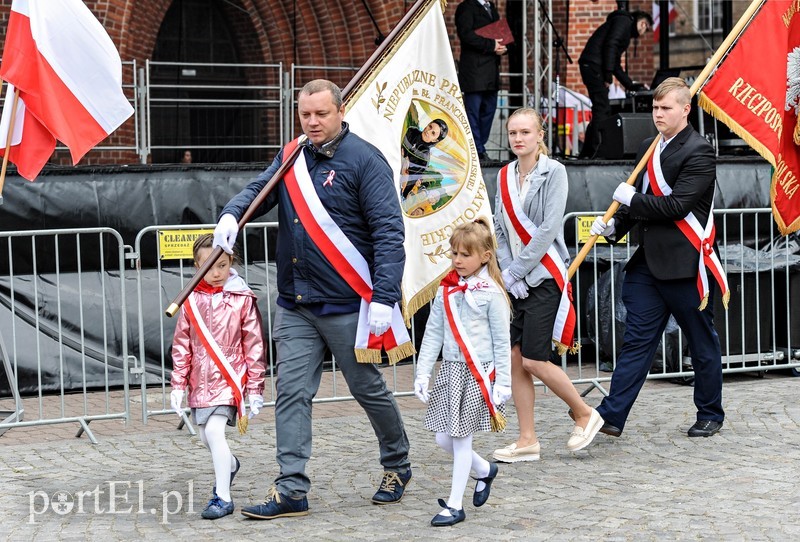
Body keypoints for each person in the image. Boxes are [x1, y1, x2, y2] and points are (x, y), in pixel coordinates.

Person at [212, 79, 413, 520]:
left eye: (321, 113)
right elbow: (259, 190)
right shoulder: (291, 156)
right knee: (291, 393)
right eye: (306, 114)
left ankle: (398, 463)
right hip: (296, 302)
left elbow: (388, 233)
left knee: (367, 389)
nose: (313, 122)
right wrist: (232, 213)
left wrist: (383, 296)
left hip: (348, 302)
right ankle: (291, 488)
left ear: (341, 111)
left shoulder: (365, 160)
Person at [589, 77, 728, 438]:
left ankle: (710, 412)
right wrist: (614, 226)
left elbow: (677, 206)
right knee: (637, 341)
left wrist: (632, 200)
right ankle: (612, 415)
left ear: (686, 109)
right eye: (655, 107)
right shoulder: (648, 147)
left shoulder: (699, 150)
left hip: (685, 264)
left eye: (666, 108)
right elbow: (637, 203)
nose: (658, 114)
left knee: (701, 341)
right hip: (648, 264)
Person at [492, 108, 603, 462]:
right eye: (512, 133)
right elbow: (498, 227)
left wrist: (519, 271)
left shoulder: (554, 172)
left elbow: (548, 229)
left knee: (535, 359)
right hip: (516, 279)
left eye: (525, 132)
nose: (518, 139)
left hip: (544, 277)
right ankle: (527, 439)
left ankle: (584, 412)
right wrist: (508, 271)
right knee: (514, 359)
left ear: (540, 135)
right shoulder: (504, 175)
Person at [413, 218, 512, 527]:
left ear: (484, 256)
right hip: (451, 371)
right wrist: (422, 372)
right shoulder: (446, 289)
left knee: (460, 439)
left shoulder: (492, 293)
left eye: (465, 254)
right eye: (454, 253)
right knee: (444, 439)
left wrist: (503, 384)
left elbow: (501, 341)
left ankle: (455, 504)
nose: (457, 260)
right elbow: (433, 333)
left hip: (478, 374)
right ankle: (484, 470)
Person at [169, 233, 266, 520]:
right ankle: (231, 464)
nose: (216, 272)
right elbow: (182, 345)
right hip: (200, 380)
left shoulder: (241, 298)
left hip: (230, 377)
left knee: (214, 431)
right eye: (208, 266)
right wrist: (177, 384)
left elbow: (254, 344)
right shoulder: (189, 300)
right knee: (205, 437)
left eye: (221, 265)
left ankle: (223, 497)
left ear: (231, 262)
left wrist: (256, 389)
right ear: (196, 266)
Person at [578, 9, 653, 159]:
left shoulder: (622, 25)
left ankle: (588, 152)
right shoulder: (624, 22)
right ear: (643, 24)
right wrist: (607, 75)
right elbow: (610, 46)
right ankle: (595, 150)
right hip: (594, 65)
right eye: (646, 28)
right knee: (602, 107)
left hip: (593, 65)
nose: (643, 33)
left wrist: (631, 85)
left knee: (600, 107)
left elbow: (616, 63)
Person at [455, 0, 507, 164]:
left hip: (491, 71)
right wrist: (491, 44)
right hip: (474, 71)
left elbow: (500, 35)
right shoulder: (466, 7)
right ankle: (477, 150)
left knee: (488, 111)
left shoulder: (491, 7)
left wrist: (503, 46)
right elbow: (466, 35)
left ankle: (479, 146)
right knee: (473, 112)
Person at [401, 118, 449, 199]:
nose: (428, 131)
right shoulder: (411, 131)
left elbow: (407, 180)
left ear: (435, 140)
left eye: (433, 133)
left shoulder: (424, 159)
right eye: (430, 126)